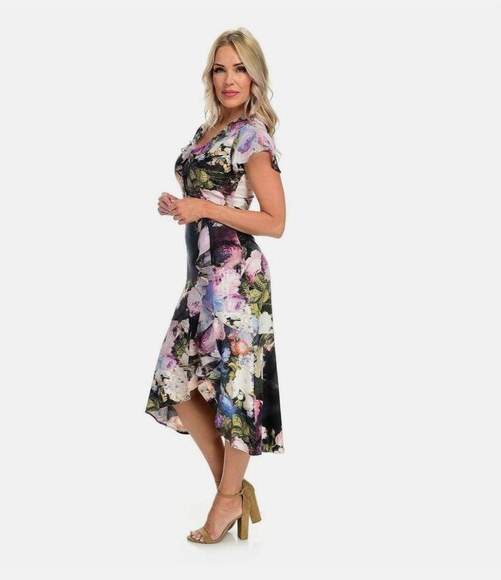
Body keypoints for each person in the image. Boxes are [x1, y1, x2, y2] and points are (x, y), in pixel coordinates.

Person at [145, 27, 286, 544]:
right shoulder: (210, 128)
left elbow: (275, 221)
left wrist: (202, 206)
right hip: (200, 278)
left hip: (236, 284)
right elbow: (209, 198)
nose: (230, 79)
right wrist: (181, 206)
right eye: (221, 68)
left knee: (234, 393)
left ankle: (227, 499)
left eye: (240, 69)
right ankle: (232, 492)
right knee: (176, 382)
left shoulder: (252, 135)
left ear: (255, 77)